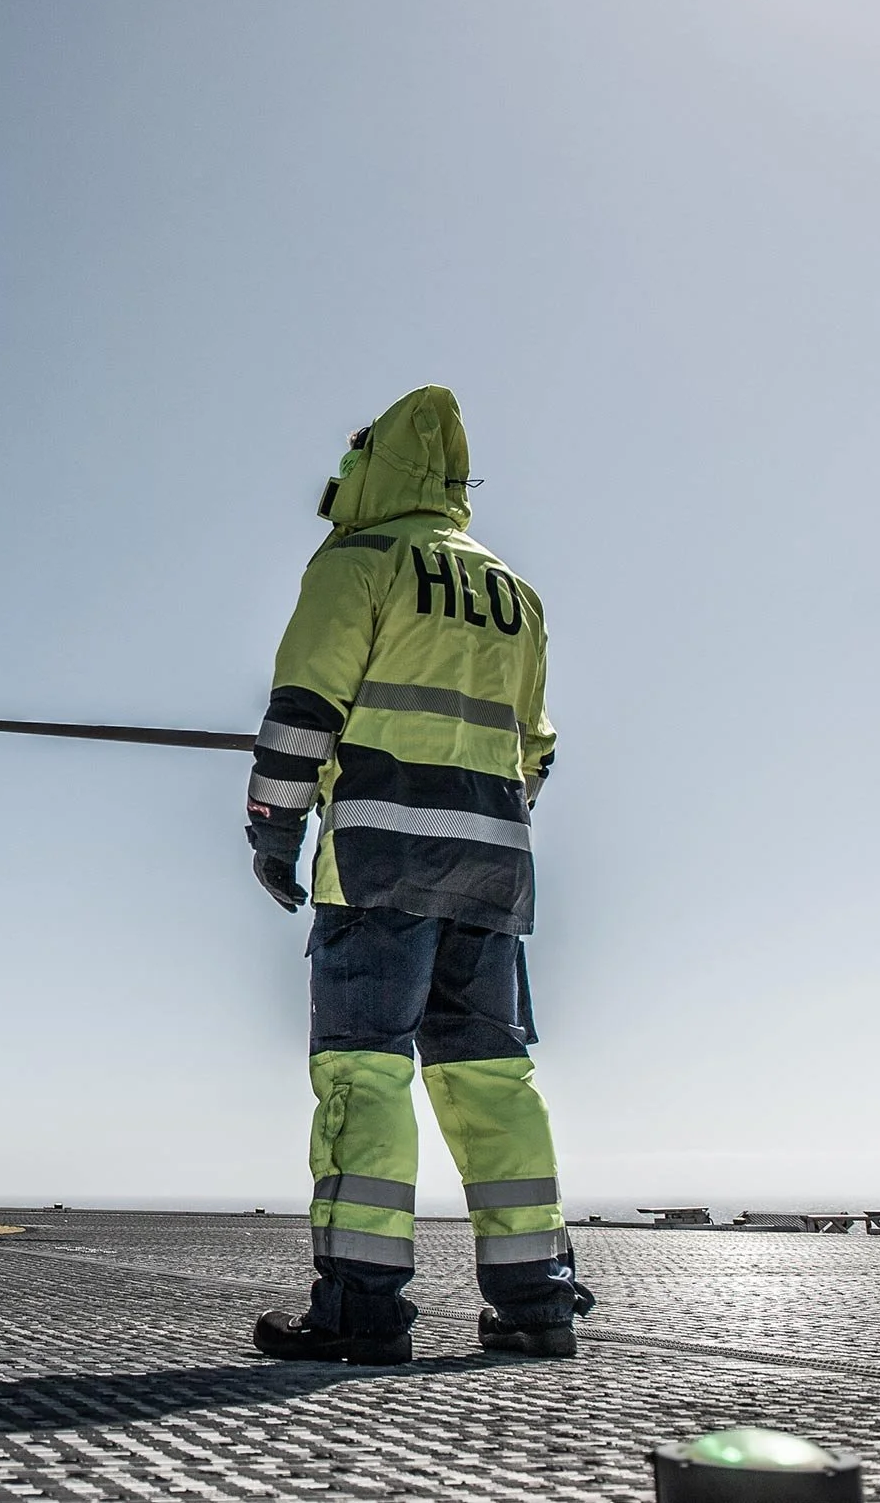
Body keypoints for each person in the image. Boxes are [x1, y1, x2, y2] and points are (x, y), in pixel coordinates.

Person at [243, 386, 592, 1365]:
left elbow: (305, 707)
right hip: (494, 870)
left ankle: (361, 1310)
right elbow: (536, 750)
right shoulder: (514, 593)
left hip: (381, 862)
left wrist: (274, 822)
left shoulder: (358, 561)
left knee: (365, 1069)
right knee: (493, 1080)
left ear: (370, 470)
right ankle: (537, 1302)